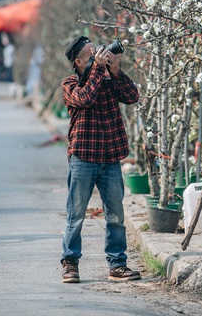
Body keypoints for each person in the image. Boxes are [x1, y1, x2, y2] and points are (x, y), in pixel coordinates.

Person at [60, 35, 141, 283]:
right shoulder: (70, 83)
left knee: (115, 215)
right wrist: (99, 68)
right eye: (92, 53)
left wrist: (116, 70)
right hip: (83, 157)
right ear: (79, 61)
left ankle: (117, 264)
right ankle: (70, 263)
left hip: (110, 158)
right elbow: (86, 98)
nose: (99, 55)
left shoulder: (105, 78)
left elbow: (132, 96)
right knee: (76, 215)